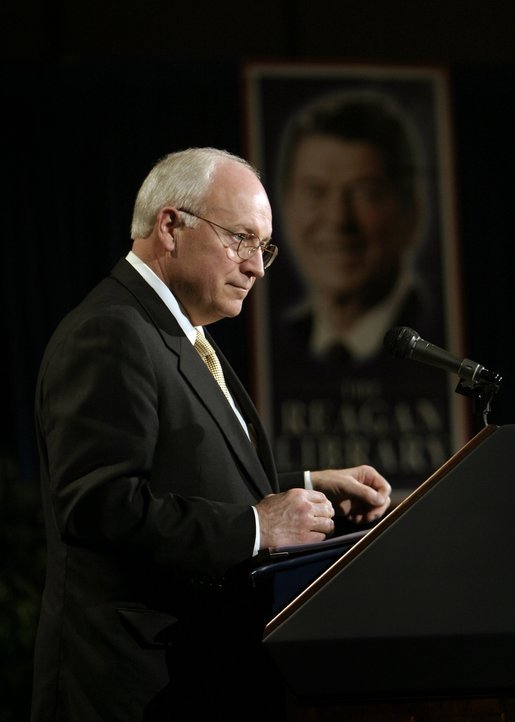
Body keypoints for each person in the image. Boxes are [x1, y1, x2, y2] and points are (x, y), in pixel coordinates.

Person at [30, 147, 391, 722]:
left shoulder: (175, 331)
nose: (257, 266)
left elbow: (179, 473)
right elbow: (99, 505)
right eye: (242, 239)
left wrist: (304, 486)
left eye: (264, 247)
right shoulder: (110, 332)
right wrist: (259, 525)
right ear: (171, 227)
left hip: (196, 679)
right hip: (131, 691)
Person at [262, 90, 454, 494]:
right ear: (287, 204)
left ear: (412, 212)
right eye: (315, 191)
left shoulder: (435, 338)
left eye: (366, 192)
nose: (338, 219)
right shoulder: (280, 336)